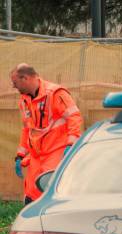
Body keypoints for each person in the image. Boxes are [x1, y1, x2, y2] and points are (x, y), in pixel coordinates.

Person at [10, 64, 82, 204]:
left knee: (50, 191)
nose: (14, 86)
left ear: (25, 78)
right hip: (37, 155)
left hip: (56, 151)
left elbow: (74, 117)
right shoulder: (24, 101)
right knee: (31, 194)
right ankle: (31, 224)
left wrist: (71, 145)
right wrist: (20, 155)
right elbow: (27, 129)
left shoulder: (55, 93)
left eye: (15, 82)